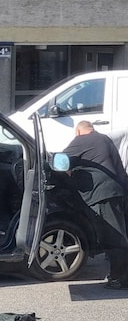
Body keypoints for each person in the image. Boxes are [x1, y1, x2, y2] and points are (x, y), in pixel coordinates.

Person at [63, 121, 128, 289]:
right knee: (119, 234)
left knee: (113, 237)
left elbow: (61, 160)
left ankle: (118, 278)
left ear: (78, 131)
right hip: (117, 192)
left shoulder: (82, 140)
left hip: (102, 194)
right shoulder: (104, 139)